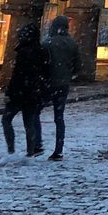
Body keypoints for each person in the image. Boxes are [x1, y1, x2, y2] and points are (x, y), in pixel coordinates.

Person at [2, 23, 48, 158]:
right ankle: (30, 151)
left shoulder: (23, 52)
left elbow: (17, 75)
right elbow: (45, 74)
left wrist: (9, 93)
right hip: (33, 93)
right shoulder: (41, 51)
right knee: (29, 123)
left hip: (20, 94)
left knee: (7, 120)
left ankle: (11, 150)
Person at [43, 16, 80, 161]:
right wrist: (69, 74)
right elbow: (78, 66)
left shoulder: (48, 42)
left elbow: (42, 62)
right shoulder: (72, 44)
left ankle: (35, 144)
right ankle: (58, 149)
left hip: (48, 83)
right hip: (63, 84)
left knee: (34, 112)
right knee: (59, 117)